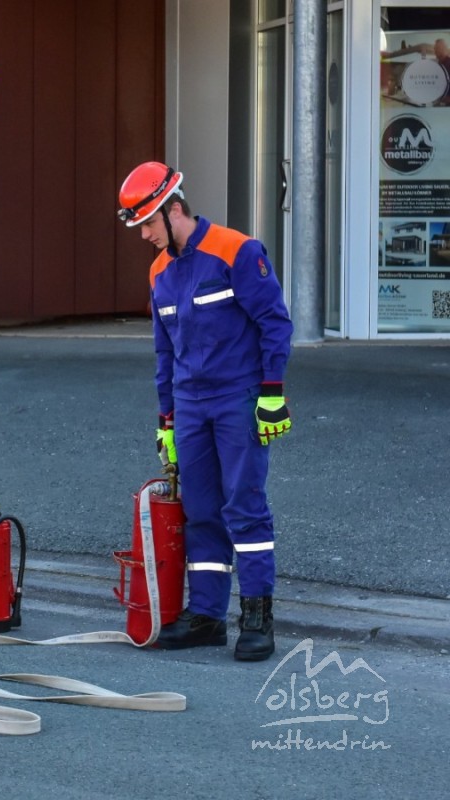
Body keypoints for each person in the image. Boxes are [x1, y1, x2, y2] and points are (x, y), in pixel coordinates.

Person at [116, 161, 294, 662]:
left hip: (239, 398)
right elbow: (164, 353)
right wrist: (166, 421)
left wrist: (272, 393)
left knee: (245, 507)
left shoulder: (238, 251)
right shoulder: (159, 273)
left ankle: (257, 618)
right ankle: (209, 617)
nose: (145, 235)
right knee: (200, 513)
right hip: (191, 406)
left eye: (149, 223)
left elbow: (275, 324)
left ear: (175, 209)